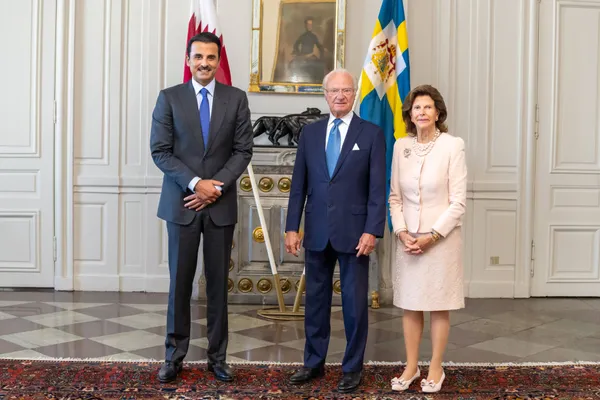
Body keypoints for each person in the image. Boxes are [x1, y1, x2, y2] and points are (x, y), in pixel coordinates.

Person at [150, 32, 253, 383]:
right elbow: (160, 151)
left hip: (220, 207)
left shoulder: (236, 99)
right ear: (189, 59)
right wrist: (196, 184)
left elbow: (243, 151)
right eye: (198, 57)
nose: (204, 63)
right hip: (181, 205)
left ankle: (218, 357)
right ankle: (174, 356)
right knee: (180, 283)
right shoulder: (169, 99)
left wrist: (215, 187)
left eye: (211, 57)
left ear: (218, 60)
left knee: (218, 286)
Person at [284, 68, 386, 394]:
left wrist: (372, 230)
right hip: (315, 230)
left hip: (356, 234)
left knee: (355, 305)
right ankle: (313, 363)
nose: (340, 96)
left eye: (346, 90)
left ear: (354, 93)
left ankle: (352, 368)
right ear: (325, 95)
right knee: (315, 302)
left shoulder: (371, 134)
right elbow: (298, 186)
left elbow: (377, 190)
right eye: (333, 91)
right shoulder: (310, 134)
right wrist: (290, 228)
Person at [388, 84, 467, 393]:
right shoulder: (400, 146)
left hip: (441, 240)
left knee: (437, 304)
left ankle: (435, 365)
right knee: (410, 304)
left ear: (438, 113)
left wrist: (432, 236)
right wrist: (402, 232)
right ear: (410, 114)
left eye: (427, 107)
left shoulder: (452, 145)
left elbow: (458, 202)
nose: (421, 112)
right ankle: (411, 365)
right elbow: (395, 198)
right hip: (408, 239)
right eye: (416, 108)